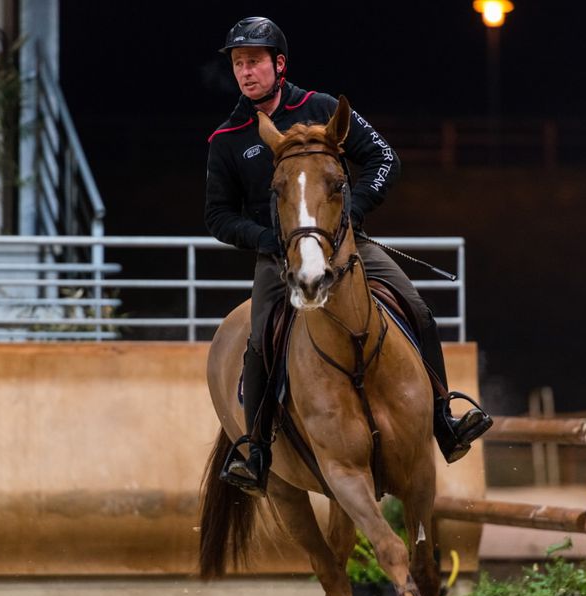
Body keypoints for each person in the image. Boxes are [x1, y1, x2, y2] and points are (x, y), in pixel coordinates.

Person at [205, 16, 492, 496]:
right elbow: (216, 217)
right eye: (238, 63)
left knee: (417, 309)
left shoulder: (318, 108)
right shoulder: (228, 138)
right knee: (258, 342)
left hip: (346, 246)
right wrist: (265, 239)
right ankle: (256, 452)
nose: (245, 72)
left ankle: (444, 418)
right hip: (278, 260)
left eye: (254, 61)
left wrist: (352, 213)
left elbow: (385, 159)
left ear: (278, 64)